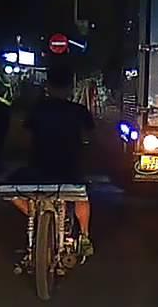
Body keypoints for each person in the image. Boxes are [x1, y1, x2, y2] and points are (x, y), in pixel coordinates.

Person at [9, 63, 95, 257]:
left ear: (48, 86)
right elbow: (91, 138)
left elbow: (23, 139)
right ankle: (84, 236)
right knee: (82, 196)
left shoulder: (37, 110)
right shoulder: (79, 111)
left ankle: (34, 214)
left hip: (38, 170)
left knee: (10, 190)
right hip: (70, 170)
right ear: (70, 88)